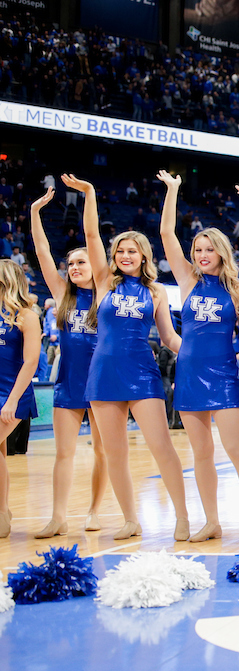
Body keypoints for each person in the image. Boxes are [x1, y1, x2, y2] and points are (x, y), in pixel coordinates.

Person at [72, 173, 191, 541]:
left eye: (132, 251)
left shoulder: (156, 292)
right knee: (114, 453)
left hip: (142, 373)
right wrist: (91, 193)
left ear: (144, 257)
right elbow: (91, 236)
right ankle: (129, 519)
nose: (125, 255)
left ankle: (183, 517)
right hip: (103, 373)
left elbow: (170, 337)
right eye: (120, 250)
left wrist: (201, 356)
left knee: (162, 447)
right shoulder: (104, 282)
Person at [159, 172, 239, 543]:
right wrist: (174, 190)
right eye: (198, 250)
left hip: (225, 374)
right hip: (190, 374)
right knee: (201, 453)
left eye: (209, 249)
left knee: (237, 449)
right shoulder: (188, 282)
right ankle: (211, 521)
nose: (202, 255)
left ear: (221, 252)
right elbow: (165, 236)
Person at [29, 184, 109, 538]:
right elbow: (43, 253)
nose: (75, 267)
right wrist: (35, 213)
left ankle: (94, 511)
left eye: (82, 262)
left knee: (104, 452)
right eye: (71, 264)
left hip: (104, 383)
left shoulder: (106, 291)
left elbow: (92, 234)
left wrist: (90, 196)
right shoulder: (62, 295)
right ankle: (58, 516)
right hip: (69, 382)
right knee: (64, 453)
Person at [0, 260, 41, 539]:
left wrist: (12, 400)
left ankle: (2, 512)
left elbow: (31, 361)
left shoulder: (26, 315)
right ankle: (3, 511)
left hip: (11, 393)